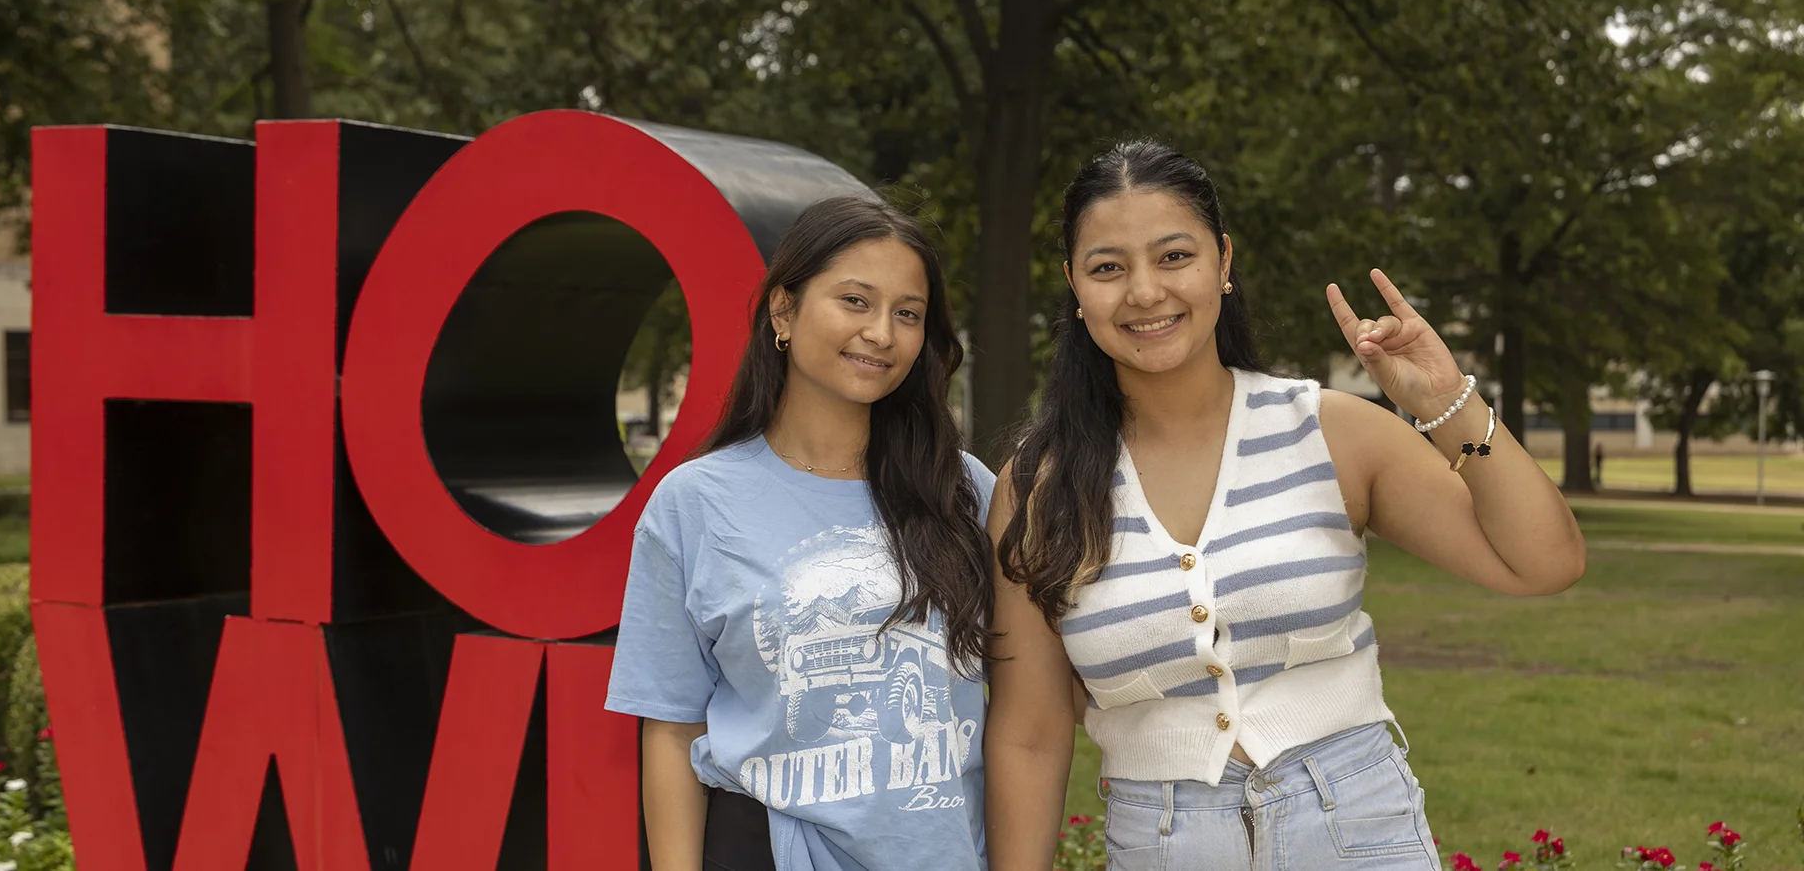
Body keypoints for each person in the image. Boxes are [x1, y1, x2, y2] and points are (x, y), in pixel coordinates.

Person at [984, 139, 1587, 871]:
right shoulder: (1038, 487)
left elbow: (1544, 562)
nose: (1144, 292)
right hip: (1162, 845)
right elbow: (1030, 733)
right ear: (1075, 287)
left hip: (1357, 828)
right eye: (1108, 267)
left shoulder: (1328, 431)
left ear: (1224, 263)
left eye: (1175, 256)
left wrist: (1447, 406)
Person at [607, 194, 999, 871]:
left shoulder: (965, 492)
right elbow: (671, 727)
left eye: (907, 313)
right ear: (783, 311)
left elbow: (1031, 711)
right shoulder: (694, 503)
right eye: (855, 300)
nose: (881, 332)